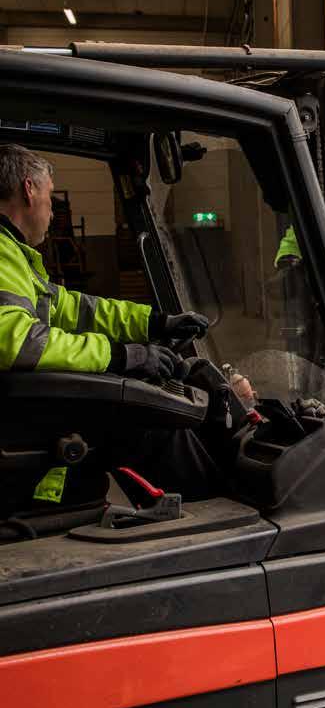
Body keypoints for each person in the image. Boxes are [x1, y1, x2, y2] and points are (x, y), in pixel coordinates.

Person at [0, 143, 216, 505]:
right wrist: (123, 357)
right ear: (28, 189)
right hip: (23, 425)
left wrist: (154, 322)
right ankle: (216, 518)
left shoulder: (14, 256)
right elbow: (20, 344)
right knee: (155, 424)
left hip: (28, 412)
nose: (53, 213)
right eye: (51, 199)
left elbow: (77, 307)